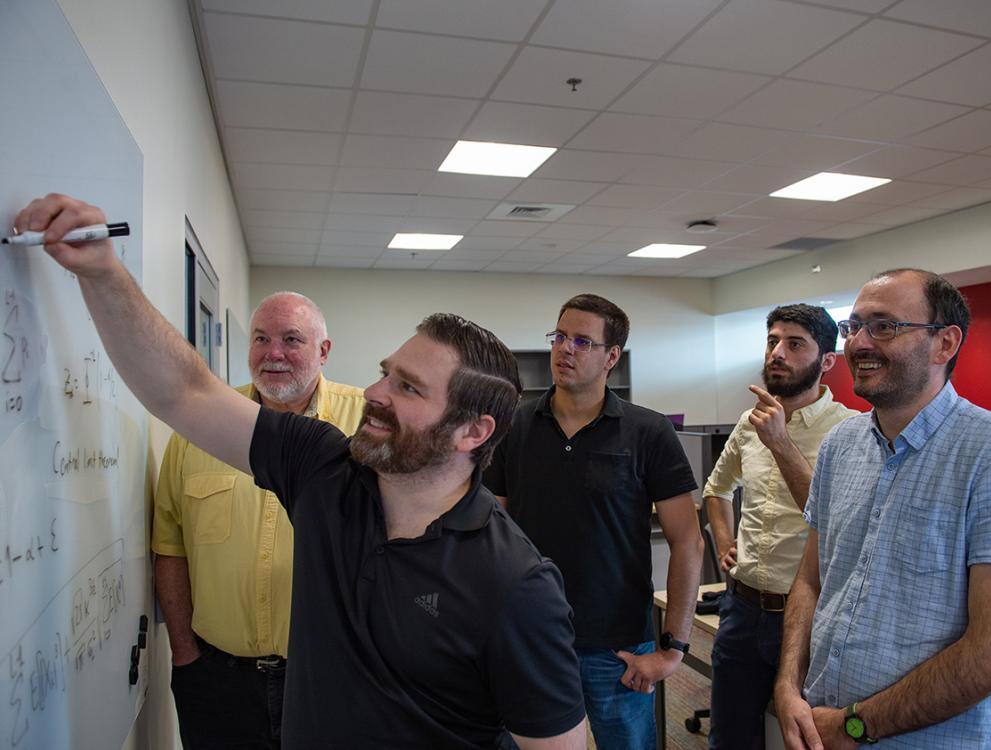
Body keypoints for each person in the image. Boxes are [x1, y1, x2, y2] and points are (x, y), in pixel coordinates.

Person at [17, 194, 586, 749]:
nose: (374, 394)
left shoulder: (516, 583)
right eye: (387, 373)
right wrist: (102, 273)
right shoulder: (324, 470)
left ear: (474, 432)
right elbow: (182, 391)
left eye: (408, 388)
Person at [774, 269, 991, 749]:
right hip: (818, 727)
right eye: (853, 326)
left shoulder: (989, 454)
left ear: (945, 344)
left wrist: (857, 725)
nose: (859, 343)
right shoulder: (841, 445)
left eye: (884, 326)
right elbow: (812, 580)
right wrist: (788, 685)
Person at [483, 294, 703, 750]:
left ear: (611, 357)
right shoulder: (515, 428)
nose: (565, 349)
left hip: (617, 649)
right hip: (531, 640)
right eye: (560, 336)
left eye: (583, 341)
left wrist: (673, 650)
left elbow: (688, 542)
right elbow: (490, 528)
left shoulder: (648, 431)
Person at [152, 292, 365, 749]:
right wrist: (185, 653)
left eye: (292, 339)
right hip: (216, 681)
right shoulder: (200, 424)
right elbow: (169, 545)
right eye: (261, 339)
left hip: (332, 681)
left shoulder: (368, 423)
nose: (274, 353)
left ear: (323, 352)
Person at [703, 304, 857, 749]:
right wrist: (725, 541)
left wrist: (781, 442)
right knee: (730, 736)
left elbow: (836, 520)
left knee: (807, 738)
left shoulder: (849, 431)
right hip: (742, 609)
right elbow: (716, 489)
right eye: (772, 341)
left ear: (827, 361)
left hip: (808, 615)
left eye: (794, 344)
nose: (777, 353)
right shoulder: (748, 425)